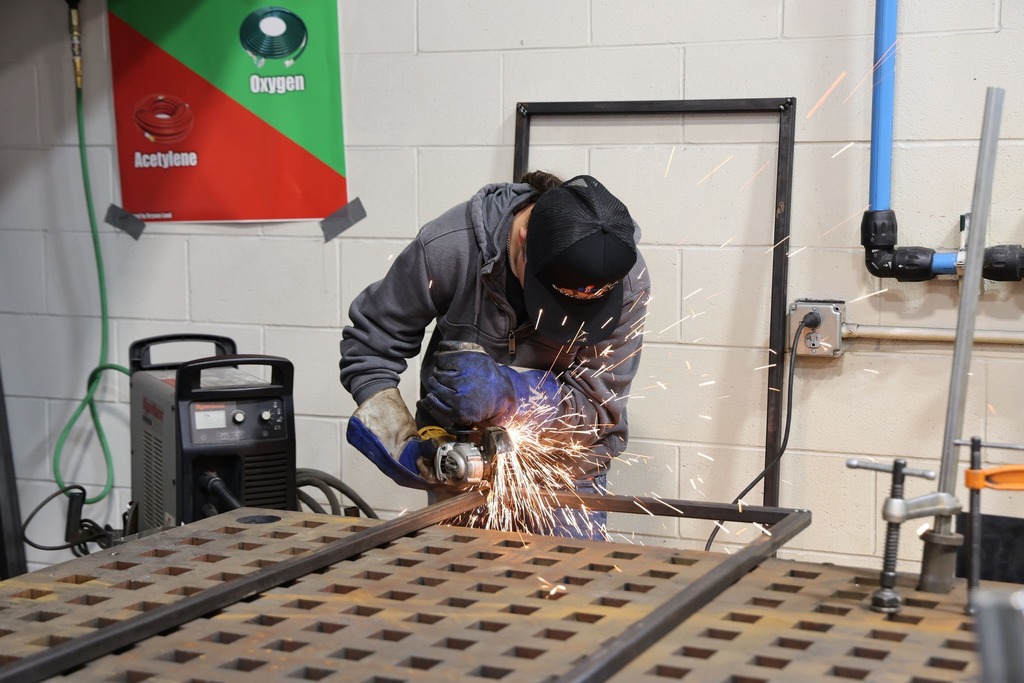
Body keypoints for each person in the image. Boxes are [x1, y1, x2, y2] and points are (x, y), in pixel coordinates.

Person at [340, 172, 649, 539]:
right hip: (462, 464)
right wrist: (398, 438)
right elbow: (372, 342)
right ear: (523, 237)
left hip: (565, 471)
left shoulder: (625, 281)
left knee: (569, 589)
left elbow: (597, 407)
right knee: (459, 588)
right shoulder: (450, 247)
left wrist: (512, 393)